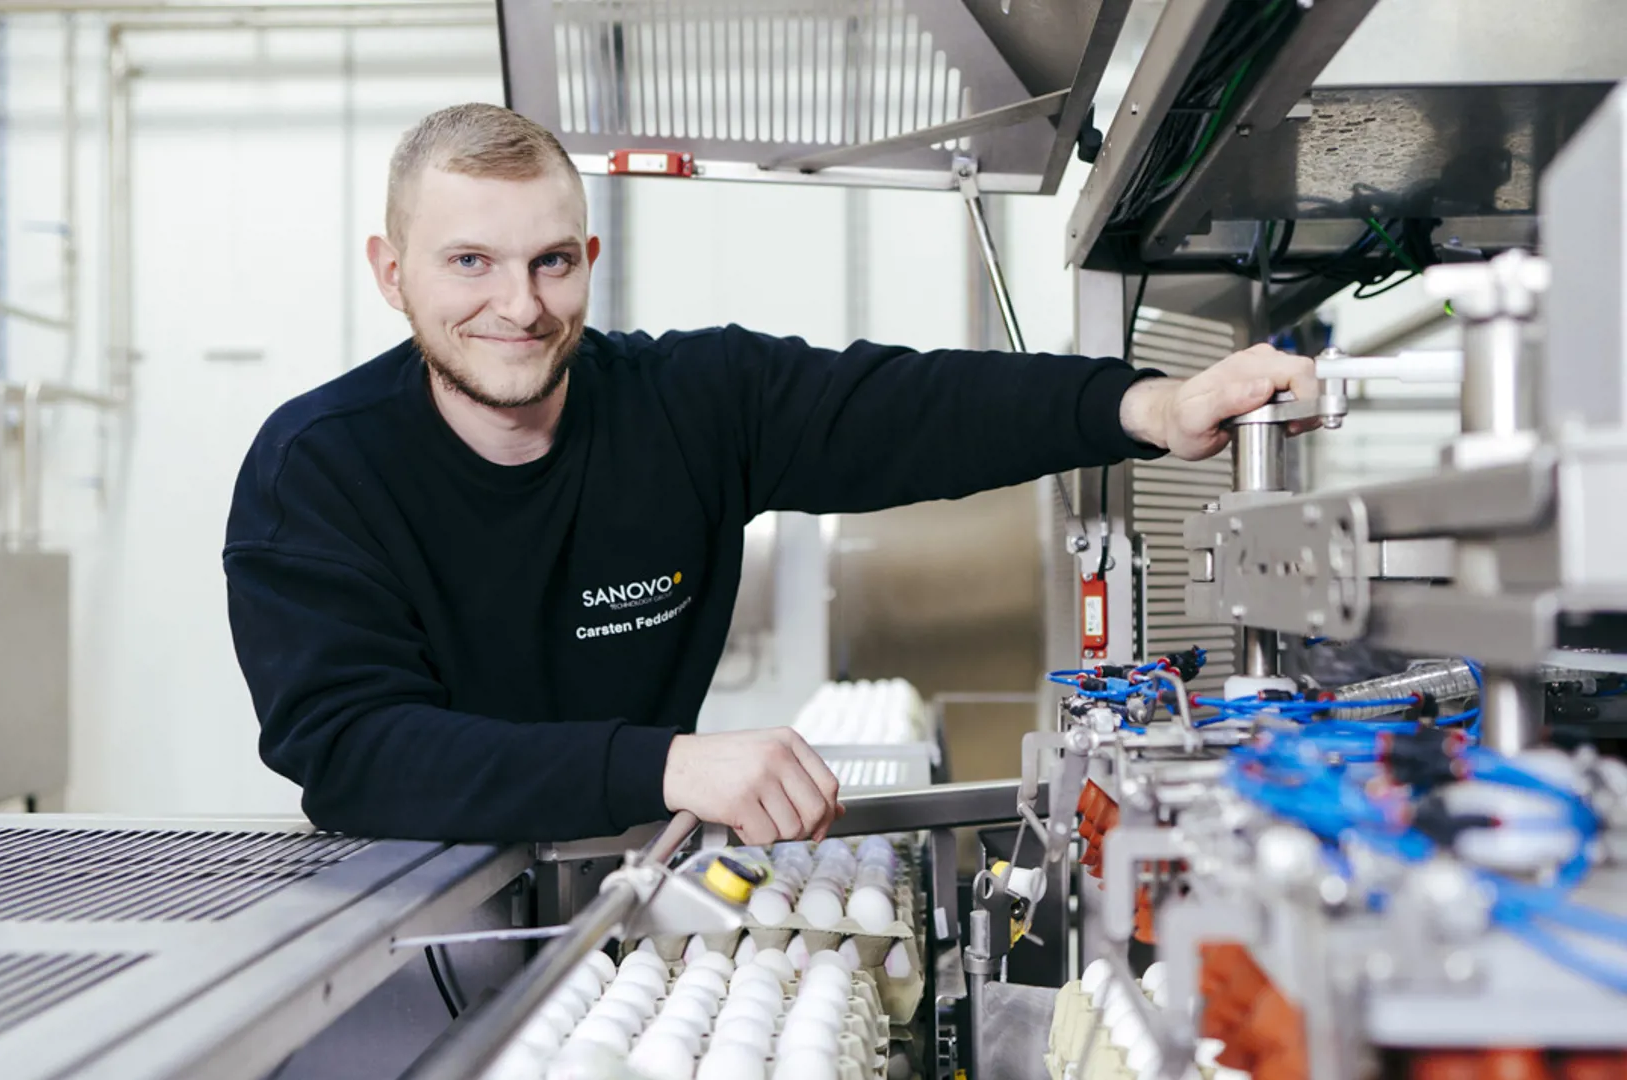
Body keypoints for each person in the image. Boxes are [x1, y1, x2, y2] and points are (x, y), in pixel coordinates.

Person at [223, 103, 1316, 845]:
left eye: (551, 261)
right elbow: (353, 750)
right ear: (391, 271)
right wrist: (666, 766)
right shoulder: (316, 470)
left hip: (629, 890)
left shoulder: (685, 405)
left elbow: (908, 408)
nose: (519, 305)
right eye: (470, 262)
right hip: (406, 922)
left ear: (587, 262)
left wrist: (1146, 406)